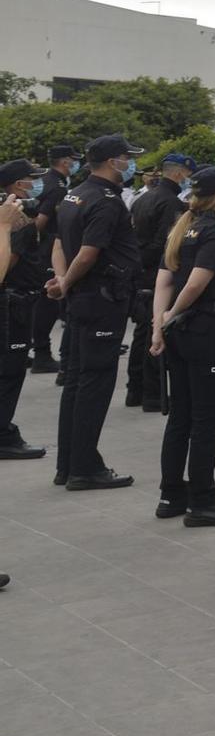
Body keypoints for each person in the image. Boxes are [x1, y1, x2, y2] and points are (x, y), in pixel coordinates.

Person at [148, 166, 215, 527]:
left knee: (181, 414)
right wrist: (173, 315)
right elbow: (195, 283)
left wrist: (159, 325)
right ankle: (204, 501)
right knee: (206, 418)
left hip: (179, 333)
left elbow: (164, 280)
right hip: (206, 330)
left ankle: (171, 494)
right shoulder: (214, 233)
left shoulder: (184, 228)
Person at [47, 134, 147, 490]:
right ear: (111, 161)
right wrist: (67, 282)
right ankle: (85, 467)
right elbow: (88, 253)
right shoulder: (106, 201)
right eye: (126, 157)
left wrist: (62, 281)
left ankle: (69, 464)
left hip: (82, 299)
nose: (130, 163)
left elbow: (59, 244)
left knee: (76, 380)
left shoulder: (75, 193)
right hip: (102, 300)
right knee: (94, 382)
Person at [126, 151, 194, 412]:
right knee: (155, 335)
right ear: (178, 173)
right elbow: (166, 244)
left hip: (141, 271)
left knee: (142, 333)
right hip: (157, 272)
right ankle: (152, 392)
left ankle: (135, 389)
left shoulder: (145, 197)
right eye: (188, 174)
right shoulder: (172, 204)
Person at [0, 161, 49, 460]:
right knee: (10, 371)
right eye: (33, 179)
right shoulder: (14, 219)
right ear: (19, 184)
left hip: (18, 300)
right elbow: (7, 266)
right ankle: (3, 433)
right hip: (13, 303)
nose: (36, 184)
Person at [29, 143, 79, 373]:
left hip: (46, 249)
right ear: (65, 161)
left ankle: (37, 351)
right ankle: (41, 354)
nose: (75, 163)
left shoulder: (49, 182)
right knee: (47, 304)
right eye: (72, 159)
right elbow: (41, 222)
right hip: (49, 250)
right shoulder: (57, 187)